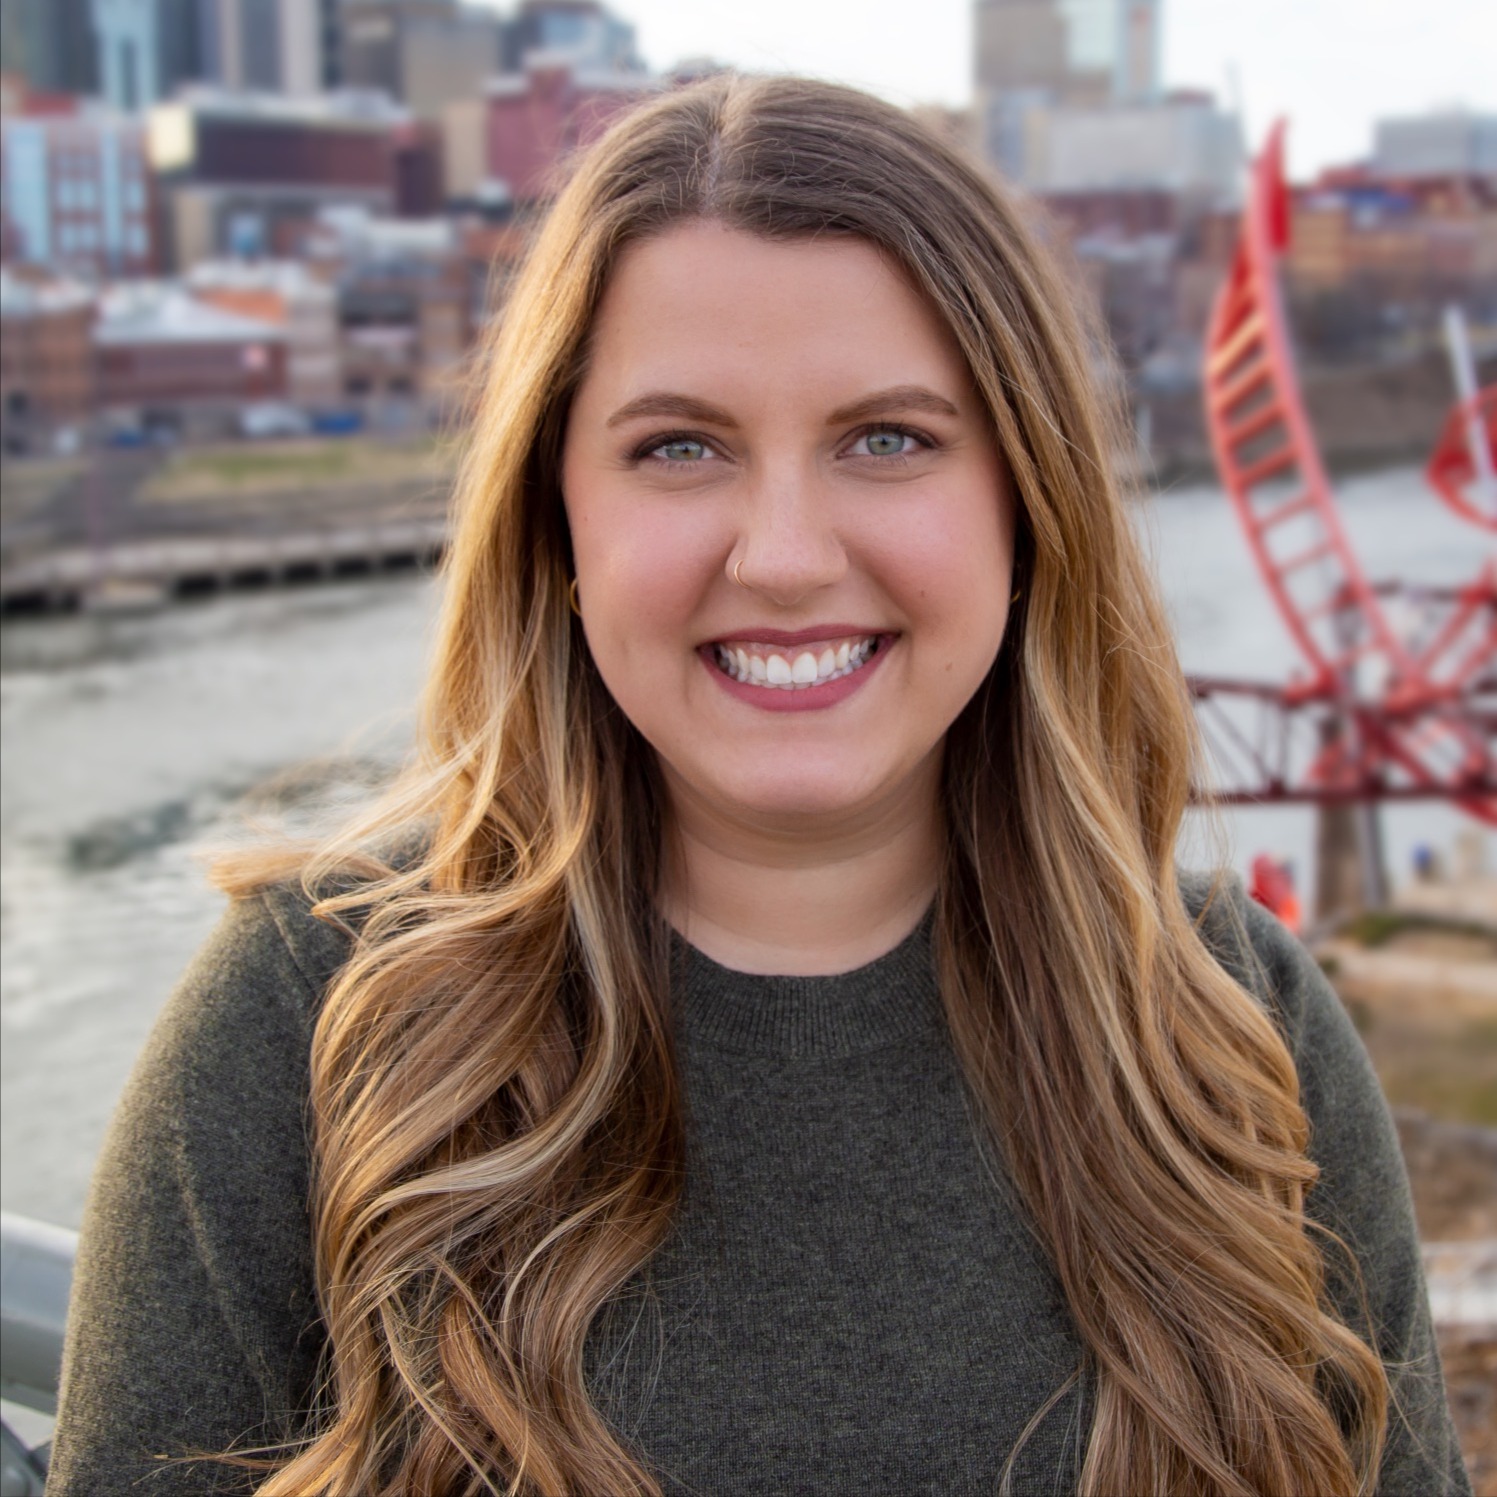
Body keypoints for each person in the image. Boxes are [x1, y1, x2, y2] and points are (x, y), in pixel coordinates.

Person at [49, 75, 1468, 1497]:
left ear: (1025, 507)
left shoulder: (1235, 1030)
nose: (783, 555)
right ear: (556, 523)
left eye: (887, 438)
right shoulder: (302, 1022)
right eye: (679, 447)